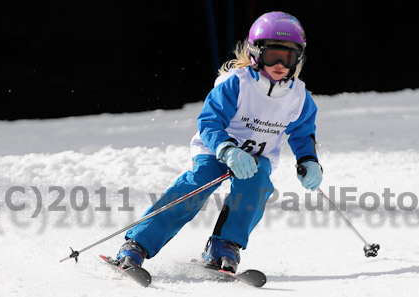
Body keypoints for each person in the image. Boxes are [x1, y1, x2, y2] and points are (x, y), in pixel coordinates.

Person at [116, 11, 323, 273]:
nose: (280, 63)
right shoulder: (236, 84)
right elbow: (209, 121)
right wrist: (226, 149)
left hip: (256, 159)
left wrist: (308, 160)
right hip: (216, 150)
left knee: (256, 186)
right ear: (256, 54)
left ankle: (224, 245)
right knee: (198, 183)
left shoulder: (298, 97)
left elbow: (303, 133)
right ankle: (137, 243)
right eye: (273, 55)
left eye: (289, 56)